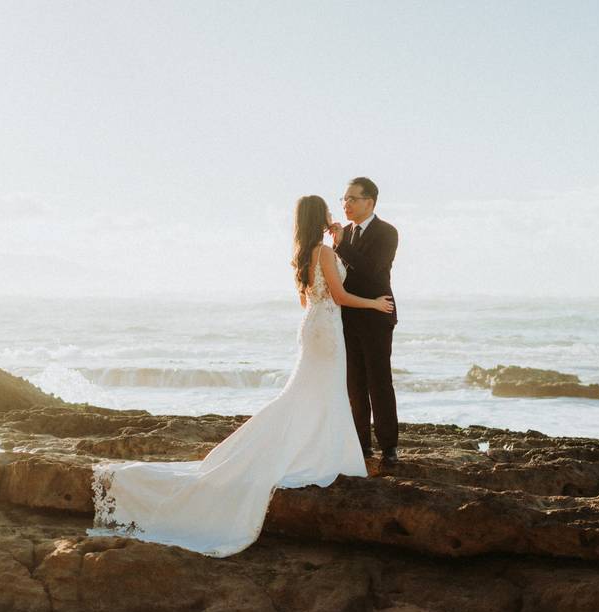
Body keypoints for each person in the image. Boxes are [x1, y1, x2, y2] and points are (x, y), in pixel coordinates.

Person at [88, 195, 394, 557]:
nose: (334, 211)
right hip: (327, 330)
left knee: (308, 393)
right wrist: (375, 302)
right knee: (321, 393)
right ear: (319, 216)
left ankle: (314, 449)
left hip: (313, 325)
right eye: (328, 208)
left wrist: (335, 244)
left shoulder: (305, 252)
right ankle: (323, 453)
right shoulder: (324, 252)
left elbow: (311, 297)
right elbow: (340, 295)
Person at [329, 177, 400, 463]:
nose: (346, 204)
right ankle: (360, 445)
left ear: (369, 202)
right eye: (343, 199)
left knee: (379, 381)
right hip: (347, 316)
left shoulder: (386, 232)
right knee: (354, 384)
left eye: (352, 199)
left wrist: (342, 246)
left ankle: (389, 446)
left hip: (377, 314)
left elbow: (373, 270)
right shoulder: (343, 234)